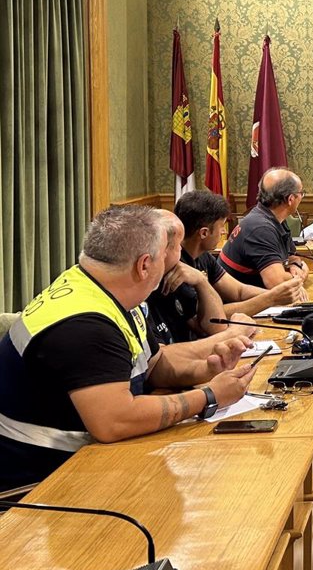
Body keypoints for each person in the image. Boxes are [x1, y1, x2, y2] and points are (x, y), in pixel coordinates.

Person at [0, 205, 257, 490]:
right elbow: (115, 422)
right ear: (144, 264)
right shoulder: (85, 324)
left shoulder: (104, 291)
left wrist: (207, 368)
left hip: (89, 463)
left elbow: (154, 365)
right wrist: (209, 396)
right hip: (40, 483)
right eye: (166, 255)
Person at [175, 189, 304, 317]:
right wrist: (271, 299)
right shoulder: (178, 269)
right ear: (204, 233)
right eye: (221, 227)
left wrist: (280, 296)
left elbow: (239, 291)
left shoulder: (203, 256)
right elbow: (209, 316)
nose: (224, 232)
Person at [219, 167, 311, 294]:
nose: (302, 197)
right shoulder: (260, 228)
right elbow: (277, 283)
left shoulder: (276, 219)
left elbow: (291, 257)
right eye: (301, 193)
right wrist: (302, 274)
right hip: (237, 305)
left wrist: (295, 265)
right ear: (290, 199)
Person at [145, 211, 227, 344]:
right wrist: (232, 335)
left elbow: (214, 327)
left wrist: (201, 282)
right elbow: (159, 360)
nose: (182, 252)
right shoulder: (141, 293)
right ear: (162, 251)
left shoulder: (174, 276)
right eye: (178, 246)